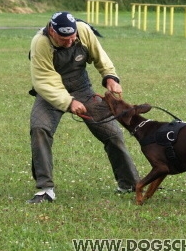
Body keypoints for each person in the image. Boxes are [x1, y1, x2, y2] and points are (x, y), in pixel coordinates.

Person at [27, 11, 140, 203]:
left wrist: (110, 77)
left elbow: (100, 56)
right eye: (64, 39)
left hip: (82, 89)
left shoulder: (83, 30)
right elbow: (44, 81)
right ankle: (45, 189)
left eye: (73, 38)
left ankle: (129, 183)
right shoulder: (40, 43)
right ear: (52, 32)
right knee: (39, 129)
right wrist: (68, 102)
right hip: (50, 93)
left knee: (113, 133)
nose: (70, 42)